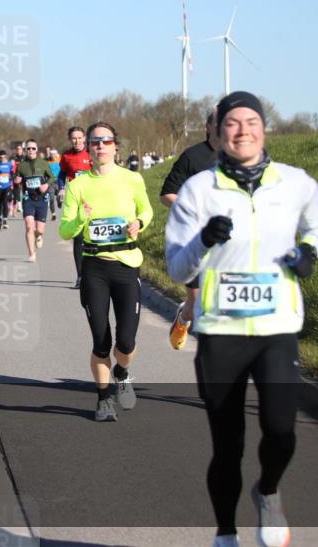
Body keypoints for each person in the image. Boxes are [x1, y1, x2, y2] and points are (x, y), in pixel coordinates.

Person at [165, 92, 318, 547]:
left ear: (264, 128)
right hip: (221, 330)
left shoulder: (296, 183)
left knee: (281, 429)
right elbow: (178, 267)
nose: (243, 130)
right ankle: (225, 533)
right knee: (228, 444)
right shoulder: (199, 191)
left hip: (276, 326)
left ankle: (269, 490)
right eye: (232, 123)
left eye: (251, 121)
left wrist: (310, 252)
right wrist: (203, 240)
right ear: (218, 134)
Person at [59, 122, 153, 422]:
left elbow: (147, 210)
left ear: (115, 146)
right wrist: (80, 221)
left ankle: (122, 372)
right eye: (94, 142)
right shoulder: (78, 185)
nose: (99, 146)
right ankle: (103, 400)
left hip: (126, 264)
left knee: (125, 341)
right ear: (89, 147)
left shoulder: (132, 179)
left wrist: (140, 223)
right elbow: (64, 230)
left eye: (105, 141)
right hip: (94, 267)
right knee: (101, 340)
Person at [160, 111, 219, 350]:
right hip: (196, 241)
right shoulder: (192, 157)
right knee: (196, 303)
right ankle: (183, 318)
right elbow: (166, 195)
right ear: (208, 125)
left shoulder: (243, 158)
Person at [58, 126, 92, 289]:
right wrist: (61, 188)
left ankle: (94, 274)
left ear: (84, 138)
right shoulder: (66, 156)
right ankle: (80, 276)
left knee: (91, 237)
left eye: (80, 137)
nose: (77, 141)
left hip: (93, 200)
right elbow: (61, 175)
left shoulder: (92, 153)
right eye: (74, 138)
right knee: (78, 238)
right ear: (70, 140)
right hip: (75, 200)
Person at [14, 139, 52, 262]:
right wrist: (16, 180)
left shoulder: (43, 163)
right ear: (25, 151)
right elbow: (16, 178)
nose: (31, 150)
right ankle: (31, 254)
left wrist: (46, 185)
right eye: (28, 148)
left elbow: (52, 177)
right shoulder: (21, 165)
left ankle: (39, 236)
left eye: (33, 148)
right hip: (28, 198)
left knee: (39, 230)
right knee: (29, 226)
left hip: (41, 199)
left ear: (36, 150)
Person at [46, 148, 61, 221]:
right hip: (50, 182)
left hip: (58, 181)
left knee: (59, 196)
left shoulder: (59, 160)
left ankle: (59, 202)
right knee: (51, 199)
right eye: (51, 154)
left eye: (54, 154)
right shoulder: (47, 161)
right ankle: (53, 214)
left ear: (56, 154)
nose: (52, 156)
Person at [11, 143, 25, 214]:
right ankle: (19, 207)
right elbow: (12, 167)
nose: (18, 150)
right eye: (17, 149)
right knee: (17, 192)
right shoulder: (13, 157)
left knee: (25, 191)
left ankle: (25, 205)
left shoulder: (25, 157)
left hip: (24, 175)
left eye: (19, 149)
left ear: (22, 150)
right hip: (16, 176)